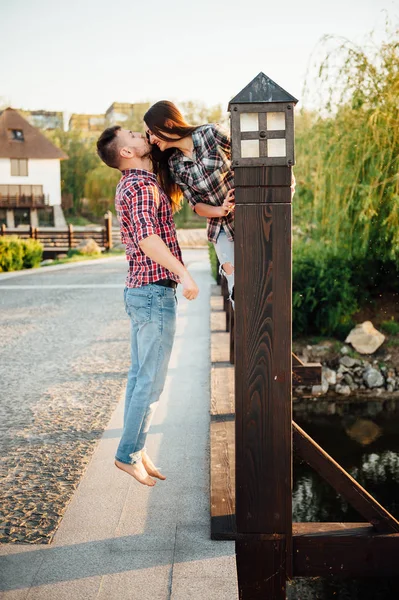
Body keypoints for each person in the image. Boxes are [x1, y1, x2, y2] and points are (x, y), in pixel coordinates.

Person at [96, 126, 199, 487]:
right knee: (150, 382)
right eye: (134, 136)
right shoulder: (139, 186)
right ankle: (127, 454)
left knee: (141, 378)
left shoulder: (138, 182)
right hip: (154, 292)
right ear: (125, 152)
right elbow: (147, 238)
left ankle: (135, 448)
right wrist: (184, 274)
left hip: (143, 292)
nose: (142, 136)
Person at [144, 101, 236, 302]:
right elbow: (196, 205)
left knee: (261, 274)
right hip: (220, 228)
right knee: (236, 286)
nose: (151, 140)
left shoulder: (211, 134)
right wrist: (221, 209)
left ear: (168, 124)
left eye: (152, 132)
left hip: (249, 215)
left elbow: (250, 158)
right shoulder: (174, 164)